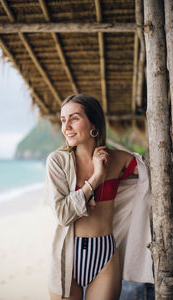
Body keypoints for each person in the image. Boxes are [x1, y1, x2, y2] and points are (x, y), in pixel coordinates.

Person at [46, 94, 154, 300]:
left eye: (74, 118)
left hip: (105, 255)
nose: (66, 126)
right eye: (63, 120)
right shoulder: (58, 161)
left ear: (94, 122)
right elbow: (62, 214)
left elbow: (154, 177)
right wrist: (96, 178)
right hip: (68, 255)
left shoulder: (118, 159)